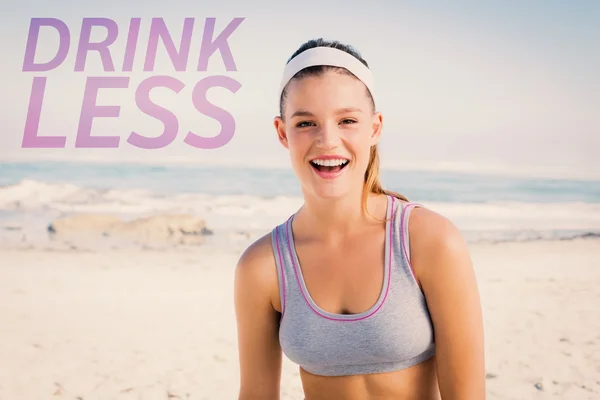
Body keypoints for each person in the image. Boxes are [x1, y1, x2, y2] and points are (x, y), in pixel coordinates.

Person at [234, 38, 486, 400]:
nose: (327, 140)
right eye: (306, 123)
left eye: (347, 120)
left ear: (375, 127)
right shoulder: (261, 267)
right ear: (281, 132)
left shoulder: (430, 241)